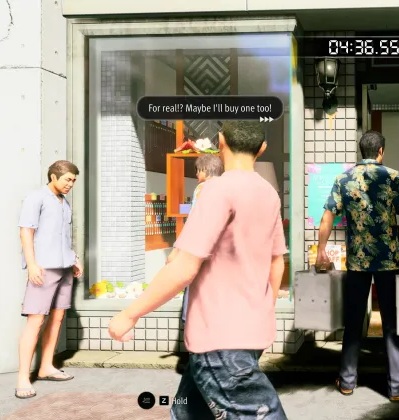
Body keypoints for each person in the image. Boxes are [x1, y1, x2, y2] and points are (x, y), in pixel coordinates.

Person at [109, 120, 288, 419]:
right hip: (248, 332)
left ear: (221, 141)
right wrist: (263, 311)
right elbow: (276, 260)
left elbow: (184, 266)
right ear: (262, 148)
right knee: (188, 411)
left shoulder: (216, 190)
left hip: (218, 336)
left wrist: (130, 314)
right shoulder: (268, 193)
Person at [316, 130, 399, 402]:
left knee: (354, 320)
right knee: (390, 322)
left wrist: (321, 250)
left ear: (362, 151)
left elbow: (327, 216)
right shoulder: (393, 177)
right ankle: (398, 387)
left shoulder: (343, 179)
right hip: (388, 261)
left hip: (357, 261)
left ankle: (347, 381)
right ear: (380, 151)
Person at [16, 160, 83, 399]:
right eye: (67, 179)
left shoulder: (64, 202)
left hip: (64, 268)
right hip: (43, 269)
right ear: (53, 177)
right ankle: (23, 378)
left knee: (57, 318)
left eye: (73, 180)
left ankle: (46, 367)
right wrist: (32, 264)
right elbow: (26, 231)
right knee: (35, 321)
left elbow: (62, 236)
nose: (70, 184)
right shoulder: (36, 198)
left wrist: (74, 258)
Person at [166, 153, 224, 324]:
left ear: (205, 170)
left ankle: (190, 320)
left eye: (198, 170)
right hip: (219, 250)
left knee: (193, 285)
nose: (197, 174)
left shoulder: (202, 188)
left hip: (200, 247)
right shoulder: (225, 187)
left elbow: (193, 219)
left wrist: (177, 250)